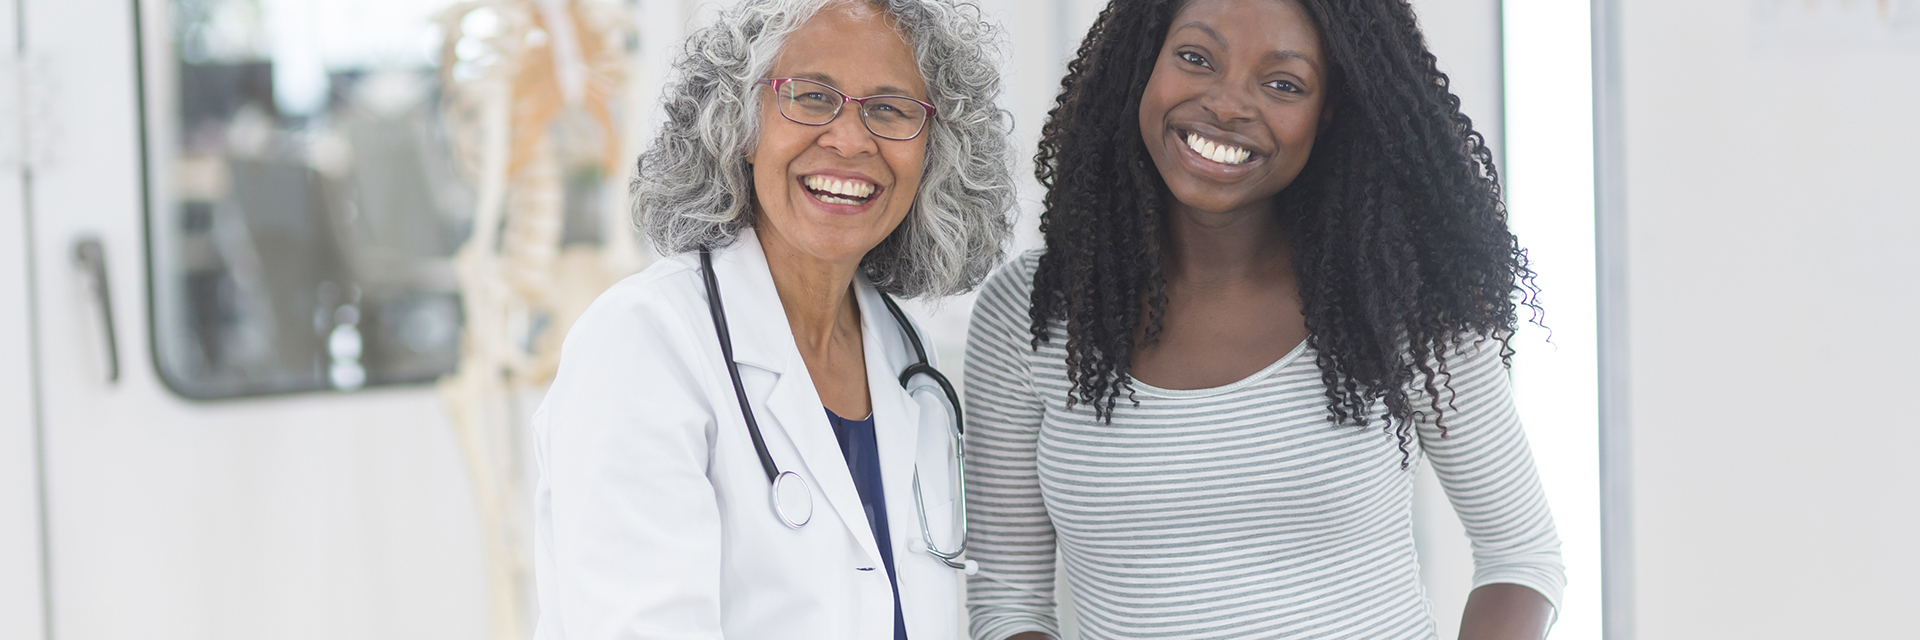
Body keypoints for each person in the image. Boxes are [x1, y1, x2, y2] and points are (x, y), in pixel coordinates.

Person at [962, 0, 1563, 639]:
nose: (1227, 105)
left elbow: (1520, 557)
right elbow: (1008, 599)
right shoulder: (1030, 309)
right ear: (1142, 64)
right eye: (1195, 58)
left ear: (1329, 110)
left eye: (1283, 83)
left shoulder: (1395, 297)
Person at [529, 1, 1013, 638]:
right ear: (740, 125)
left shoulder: (906, 355)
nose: (849, 138)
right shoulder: (645, 340)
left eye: (890, 110)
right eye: (811, 97)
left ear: (934, 152)